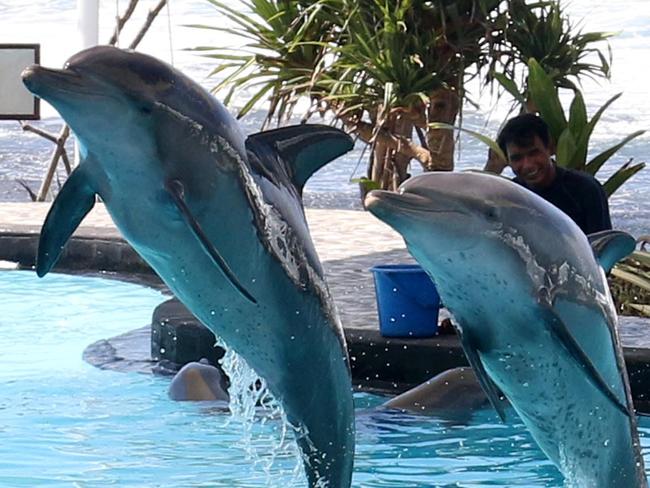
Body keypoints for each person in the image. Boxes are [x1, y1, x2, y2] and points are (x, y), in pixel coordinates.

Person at [497, 113, 612, 235]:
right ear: (507, 161)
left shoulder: (585, 189)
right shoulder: (509, 197)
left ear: (550, 148)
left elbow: (603, 247)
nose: (527, 165)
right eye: (517, 158)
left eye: (534, 153)